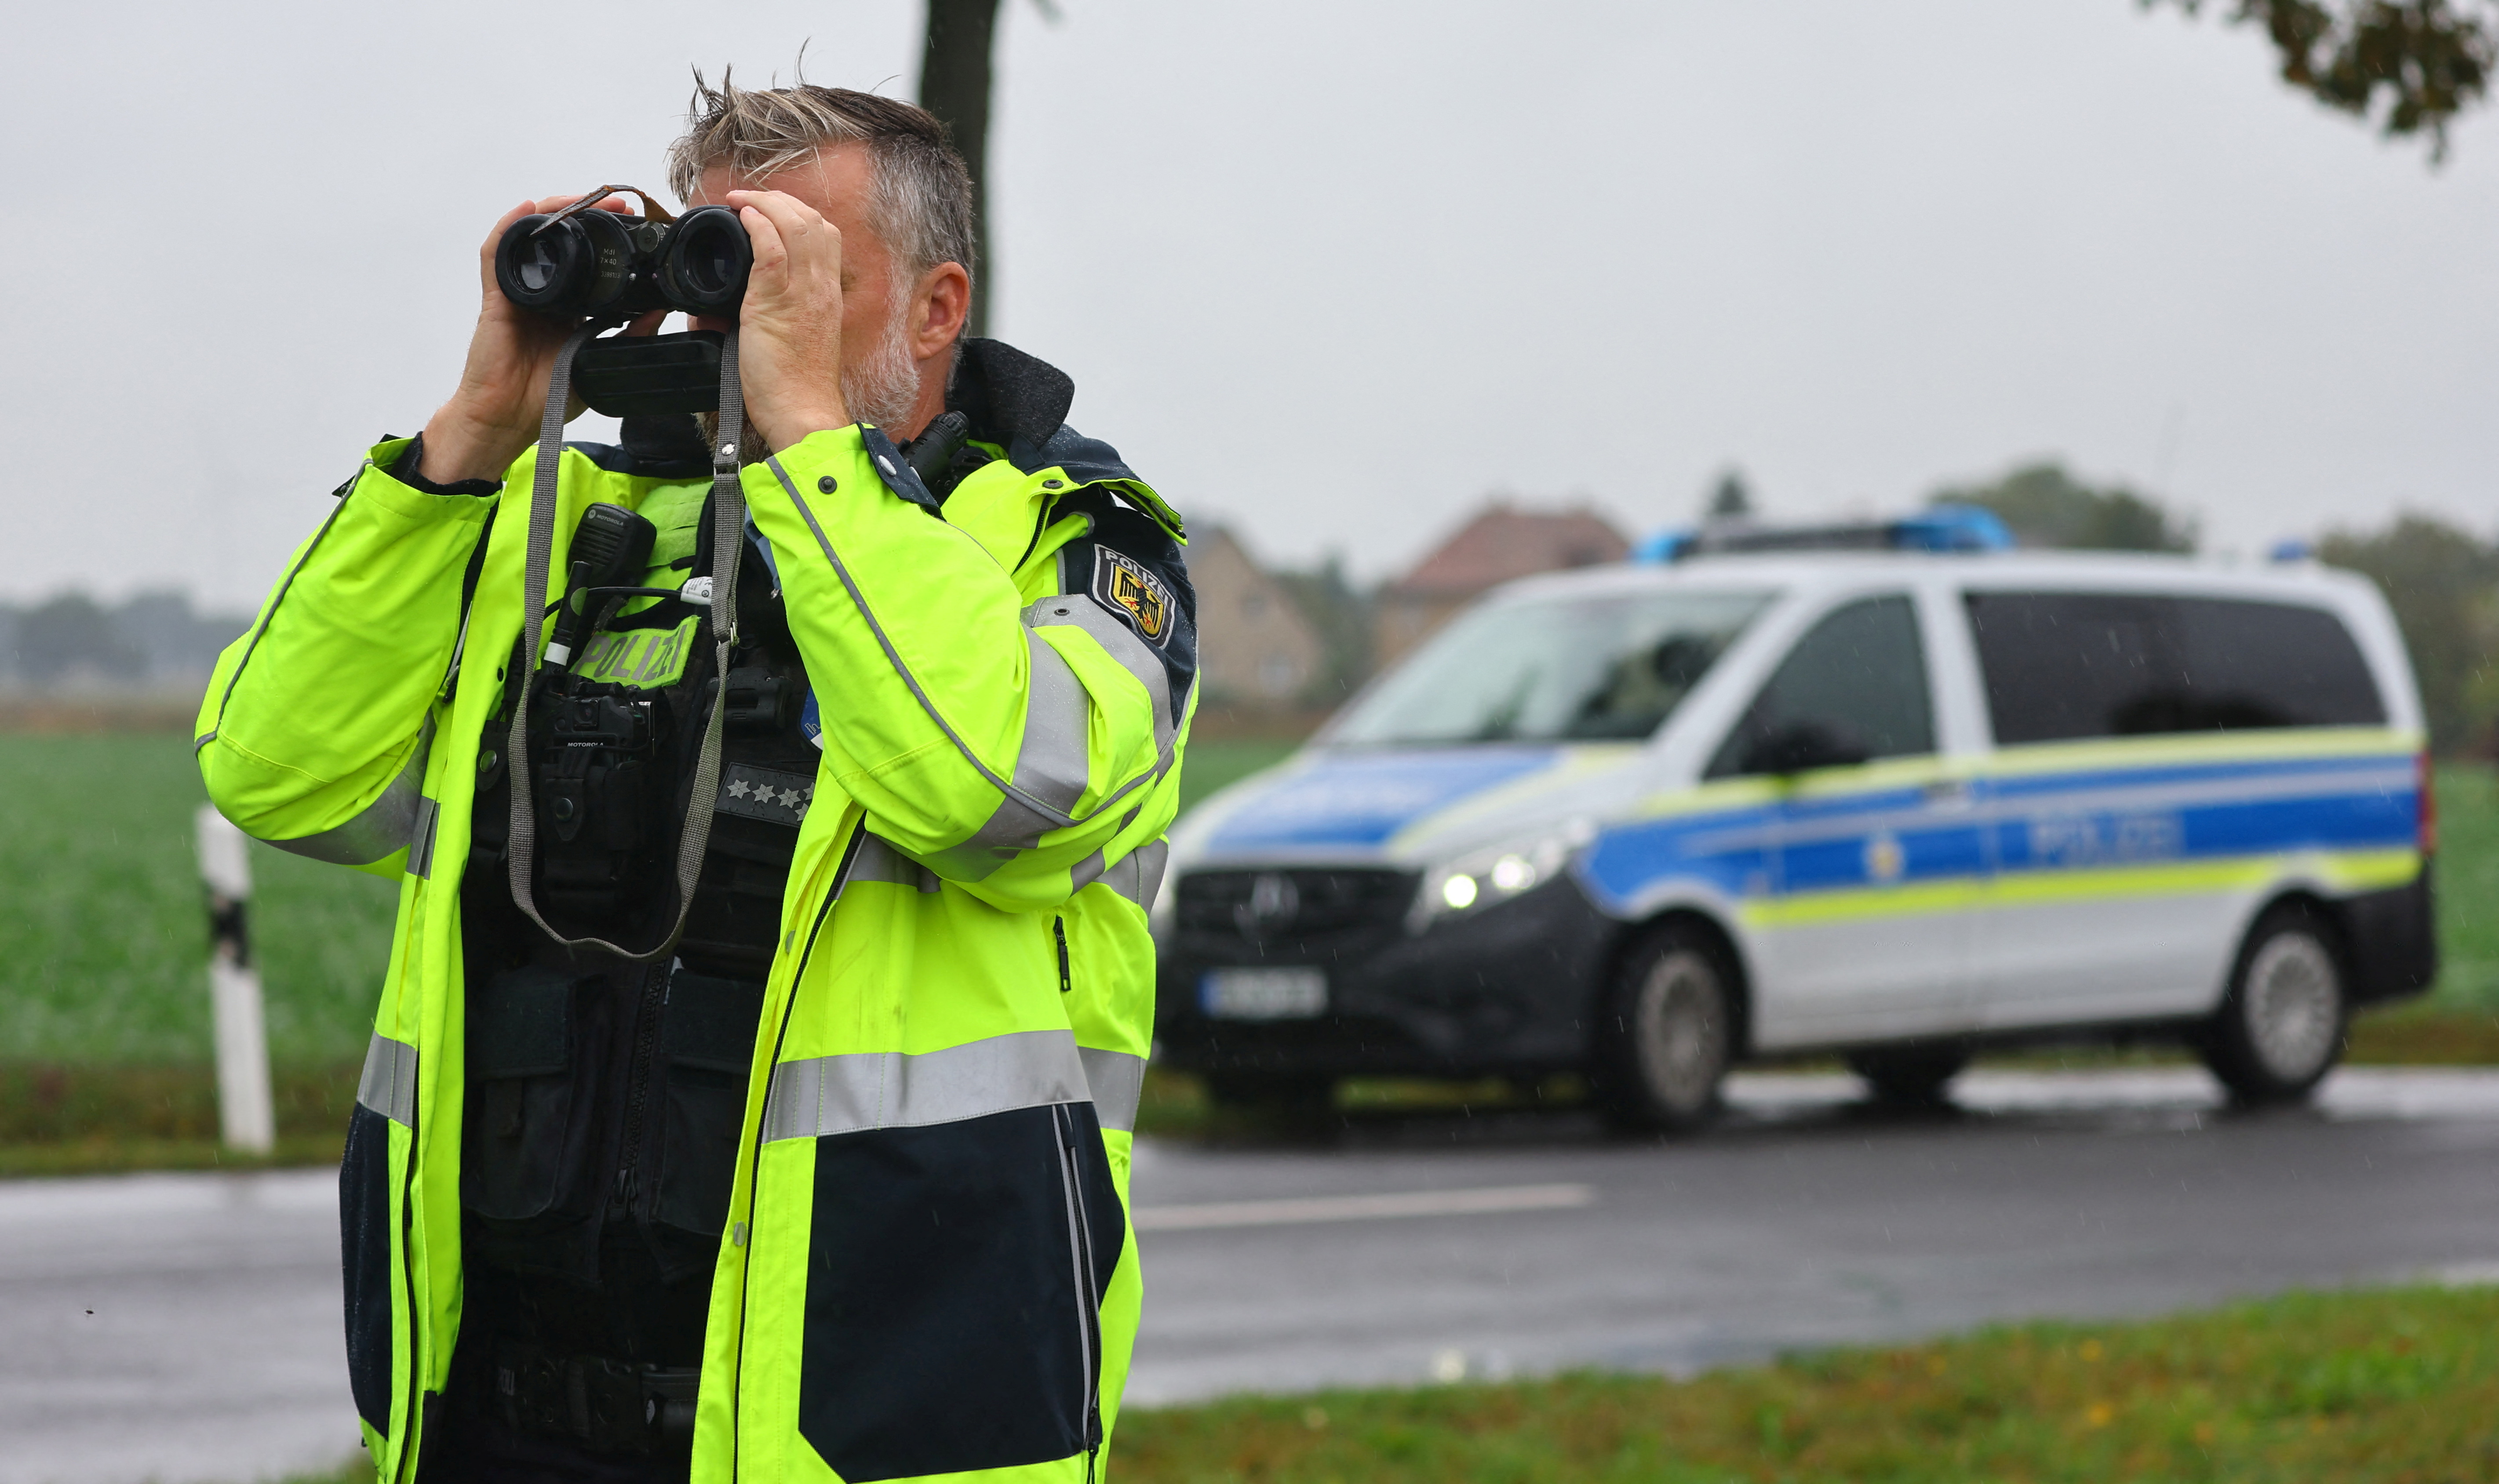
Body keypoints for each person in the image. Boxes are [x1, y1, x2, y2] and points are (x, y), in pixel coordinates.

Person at [197, 78, 1194, 1484]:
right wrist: (477, 428)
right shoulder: (573, 533)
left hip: (865, 1440)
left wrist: (807, 450)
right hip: (497, 1418)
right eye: (718, 266)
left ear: (934, 308)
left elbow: (992, 791)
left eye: (792, 276)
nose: (735, 325)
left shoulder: (1063, 553)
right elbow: (277, 774)